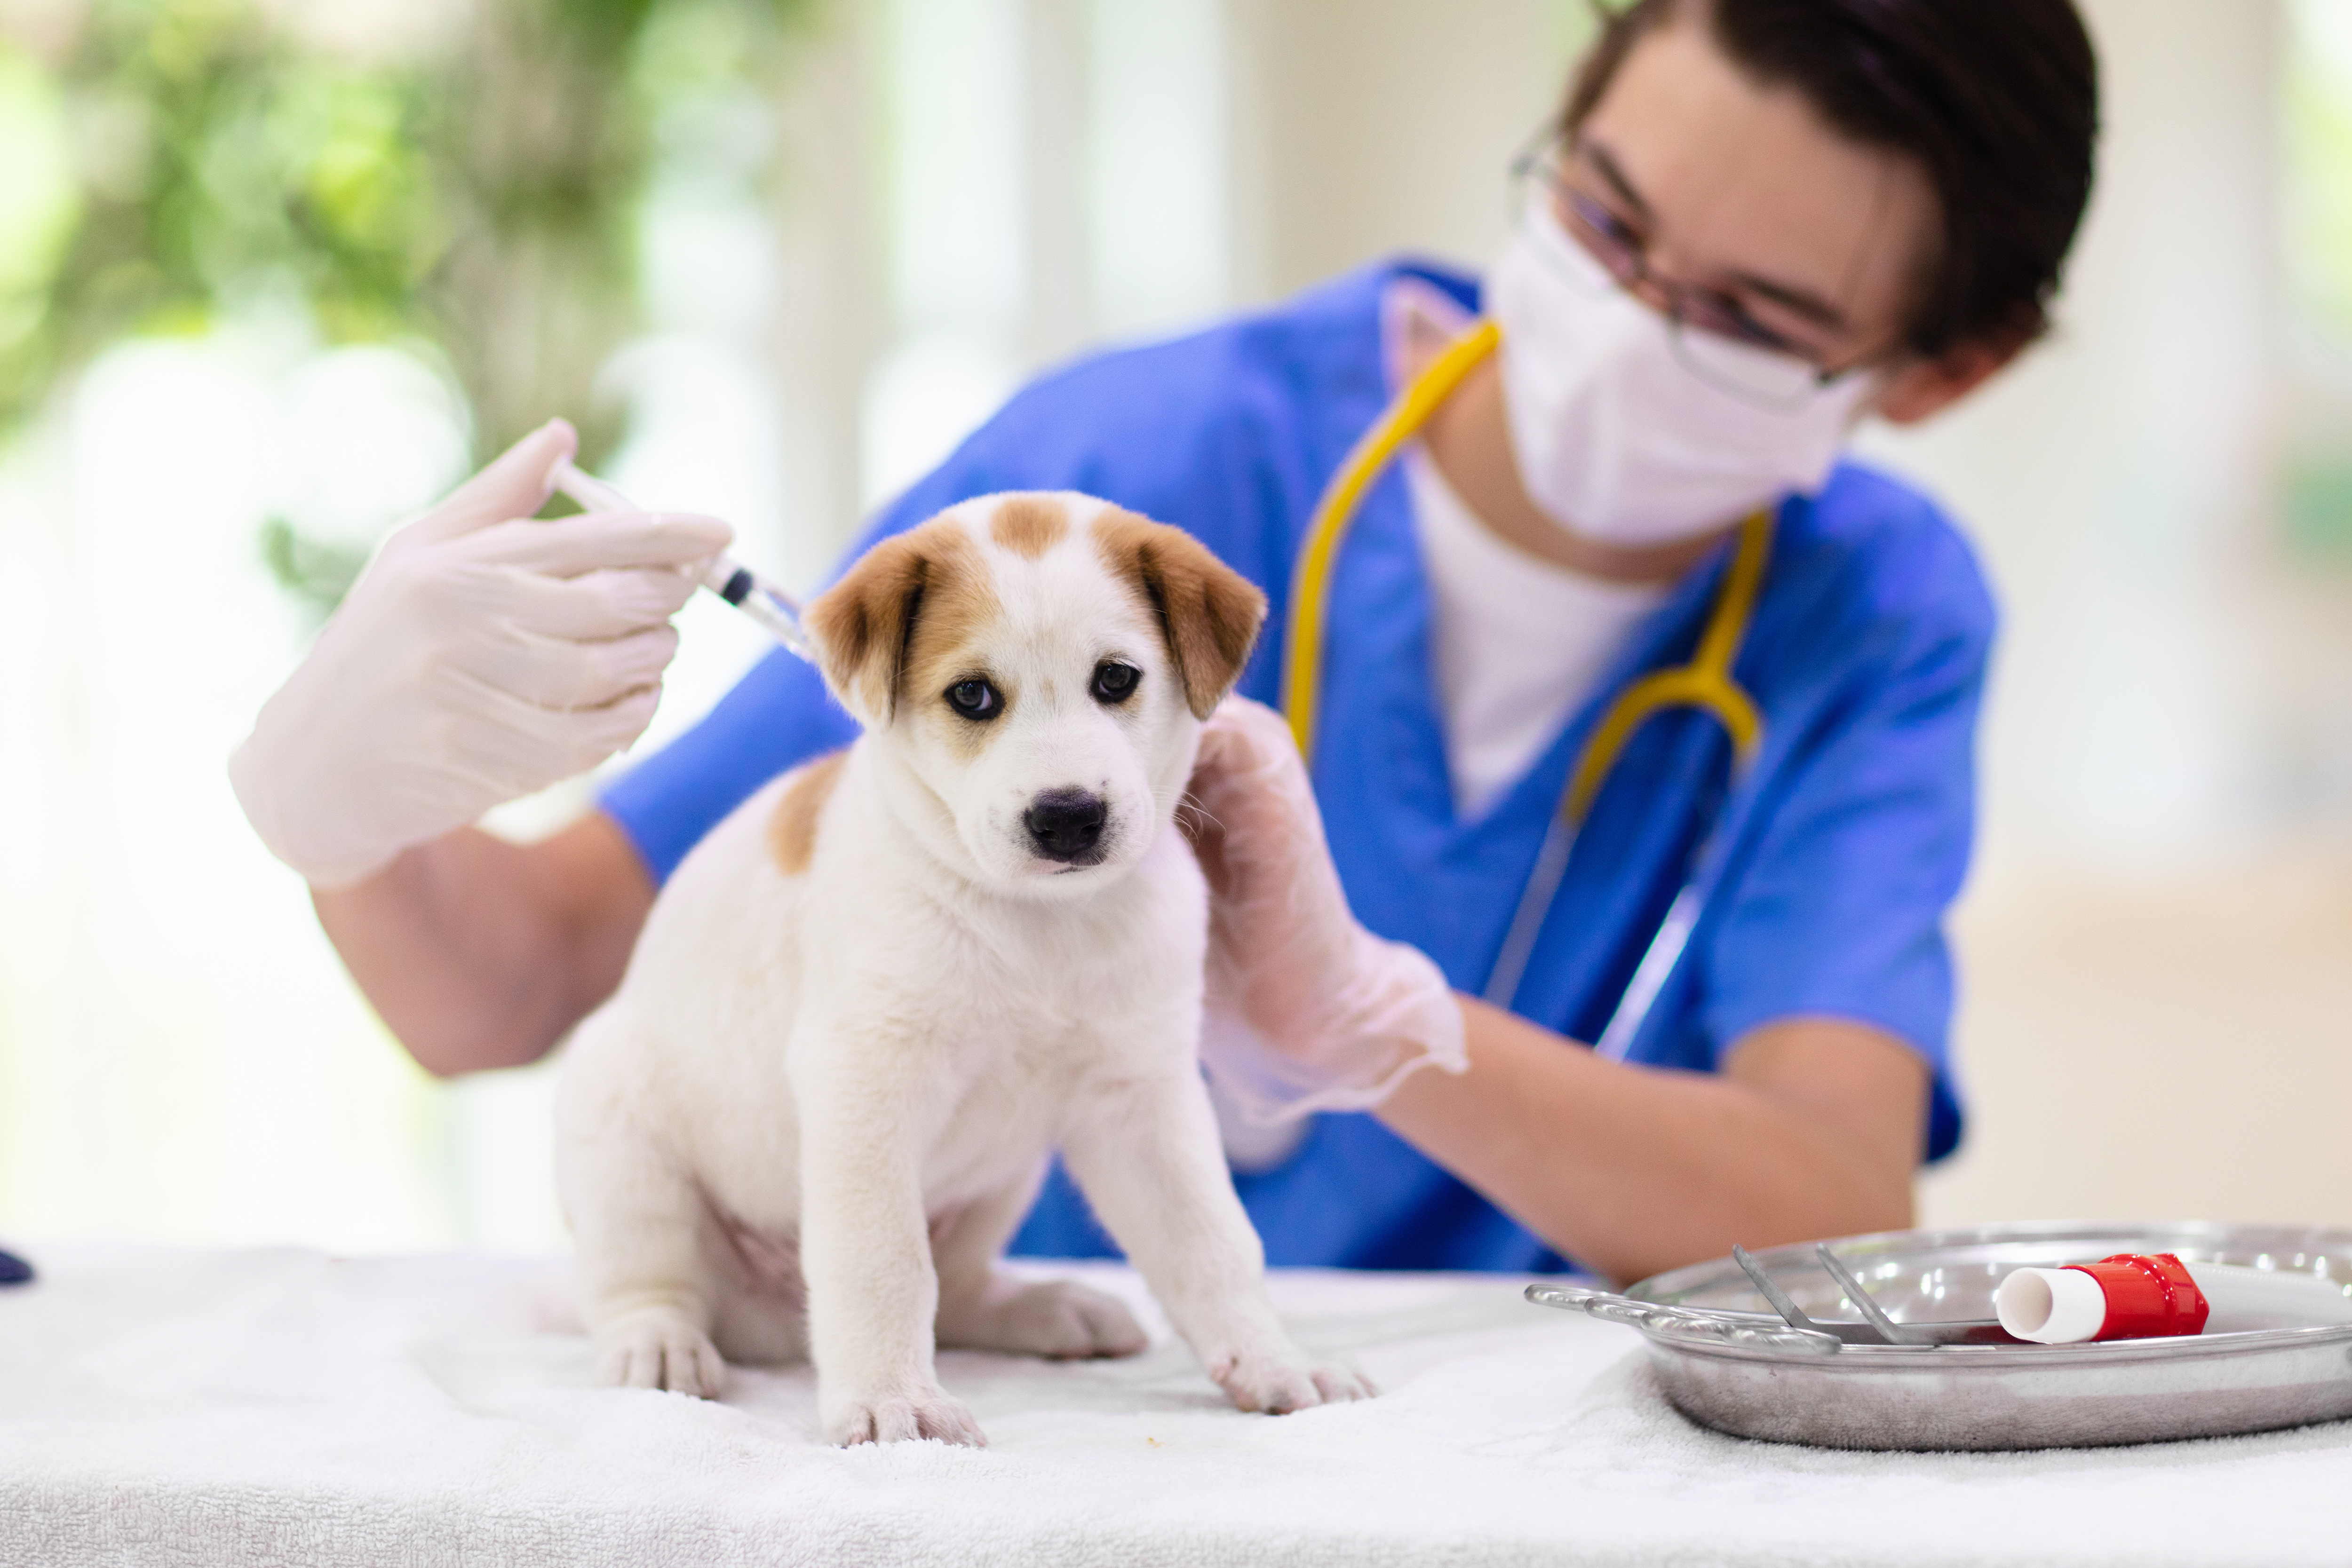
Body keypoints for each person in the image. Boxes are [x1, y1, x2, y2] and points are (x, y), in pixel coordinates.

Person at [232, 0, 2099, 1285]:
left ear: (1941, 369)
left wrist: (1376, 1030)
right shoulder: (1119, 487)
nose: (1621, 324)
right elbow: (512, 981)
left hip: (1493, 1467)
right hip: (1010, 1437)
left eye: (1750, 319)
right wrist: (347, 815)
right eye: (1603, 218)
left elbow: (1831, 1200)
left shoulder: (1876, 613)